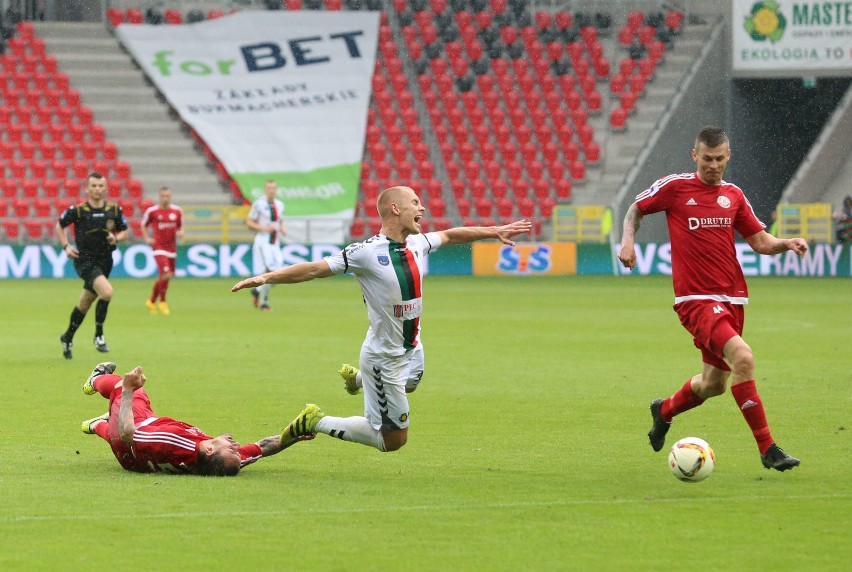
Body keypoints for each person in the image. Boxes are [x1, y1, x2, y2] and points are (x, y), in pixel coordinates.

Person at [232, 185, 531, 453]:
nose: (422, 208)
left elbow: (452, 234)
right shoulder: (365, 253)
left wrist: (494, 231)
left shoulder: (417, 243)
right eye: (415, 202)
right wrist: (265, 277)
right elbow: (313, 269)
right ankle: (316, 420)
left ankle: (359, 380)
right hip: (384, 358)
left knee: (411, 382)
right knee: (392, 440)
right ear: (395, 209)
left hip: (412, 347)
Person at [618, 126, 808, 472]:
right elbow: (636, 208)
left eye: (720, 159)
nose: (713, 165)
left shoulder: (733, 195)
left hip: (733, 300)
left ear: (728, 157)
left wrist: (786, 243)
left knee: (714, 384)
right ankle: (769, 449)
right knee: (744, 357)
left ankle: (663, 411)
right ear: (695, 156)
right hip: (696, 300)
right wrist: (627, 241)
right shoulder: (676, 187)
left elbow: (761, 242)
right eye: (707, 159)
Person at [80, 362, 313, 476]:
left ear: (210, 450)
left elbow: (127, 435)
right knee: (116, 429)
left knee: (128, 388)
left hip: (131, 439)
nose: (235, 445)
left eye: (230, 448)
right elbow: (264, 447)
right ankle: (97, 424)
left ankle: (95, 380)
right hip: (134, 462)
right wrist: (294, 435)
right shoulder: (222, 463)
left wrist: (129, 391)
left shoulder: (169, 440)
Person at [55, 172, 128, 359]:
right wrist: (65, 246)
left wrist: (116, 237)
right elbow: (59, 225)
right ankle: (99, 335)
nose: (97, 189)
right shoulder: (78, 210)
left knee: (85, 303)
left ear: (105, 188)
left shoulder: (114, 209)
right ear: (87, 188)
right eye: (93, 186)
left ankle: (67, 337)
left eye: (100, 186)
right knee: (107, 292)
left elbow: (124, 232)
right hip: (85, 260)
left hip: (105, 261)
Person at [140, 186, 184, 316]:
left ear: (170, 197)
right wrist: (147, 238)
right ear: (159, 197)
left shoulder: (177, 211)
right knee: (166, 274)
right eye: (163, 196)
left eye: (167, 196)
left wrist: (181, 232)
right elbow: (143, 225)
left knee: (166, 276)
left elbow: (180, 226)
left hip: (172, 248)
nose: (165, 198)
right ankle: (163, 301)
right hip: (159, 247)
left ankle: (151, 301)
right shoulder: (152, 211)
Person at [246, 180, 286, 311]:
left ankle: (256, 290)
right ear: (265, 189)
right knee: (270, 270)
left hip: (275, 242)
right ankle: (264, 302)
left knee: (279, 272)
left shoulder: (280, 205)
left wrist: (282, 228)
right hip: (263, 241)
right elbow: (249, 222)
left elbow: (280, 221)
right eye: (269, 188)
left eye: (274, 188)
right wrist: (263, 228)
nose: (271, 190)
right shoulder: (258, 204)